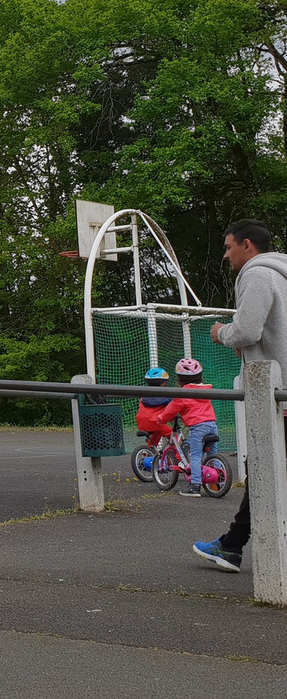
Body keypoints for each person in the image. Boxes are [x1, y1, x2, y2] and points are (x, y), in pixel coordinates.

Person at [194, 219, 287, 571]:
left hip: (276, 394)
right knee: (268, 470)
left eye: (228, 247)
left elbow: (246, 329)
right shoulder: (282, 272)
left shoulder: (256, 273)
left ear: (247, 245)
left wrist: (222, 333)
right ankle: (232, 544)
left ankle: (232, 545)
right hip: (280, 387)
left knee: (264, 469)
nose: (226, 255)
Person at [158, 358, 218, 497]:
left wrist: (161, 418)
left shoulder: (183, 394)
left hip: (198, 428)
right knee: (212, 455)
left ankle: (195, 486)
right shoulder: (206, 390)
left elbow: (171, 410)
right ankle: (218, 482)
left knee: (195, 456)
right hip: (212, 425)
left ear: (179, 379)